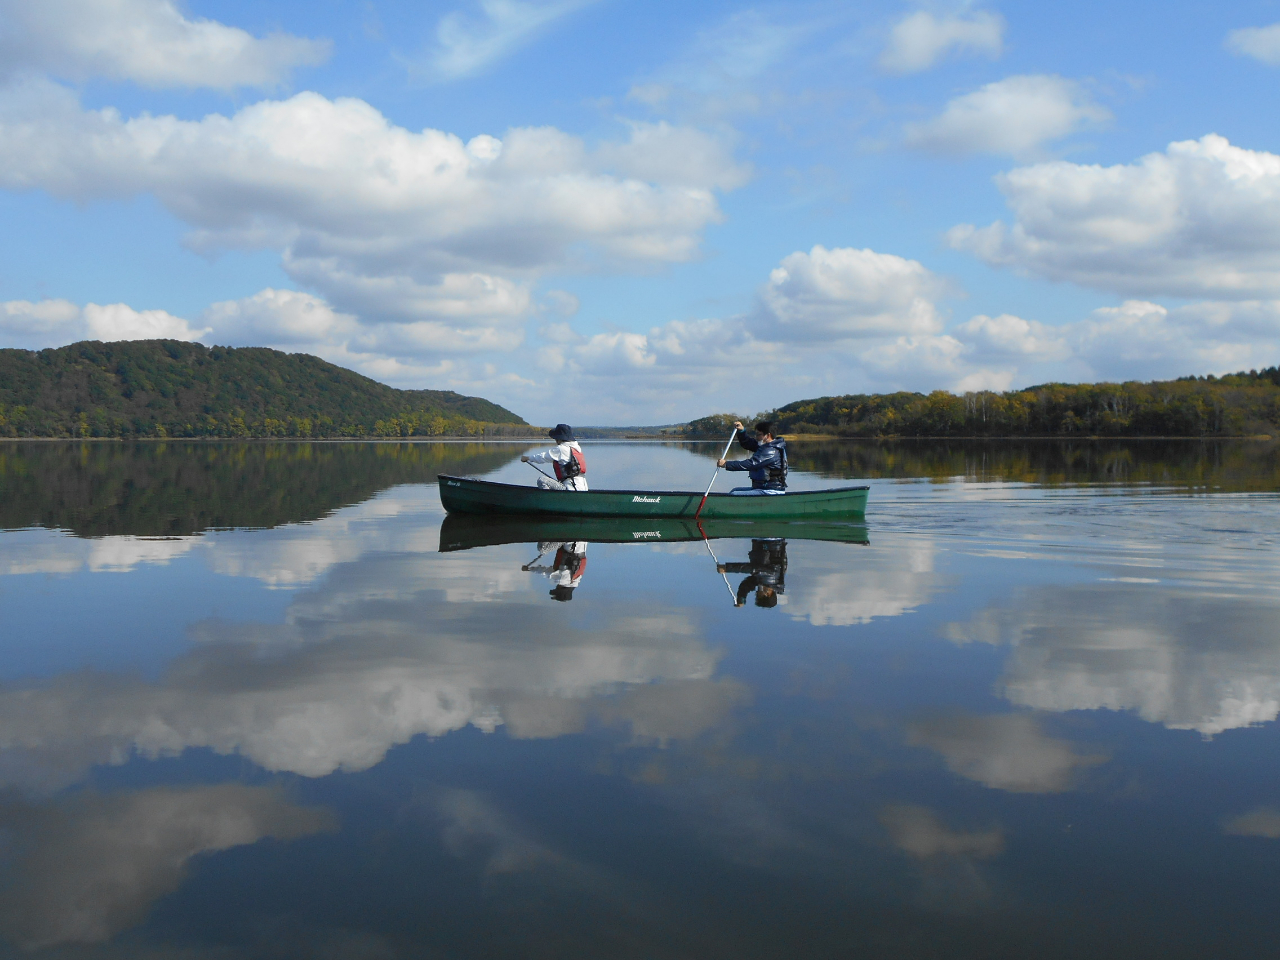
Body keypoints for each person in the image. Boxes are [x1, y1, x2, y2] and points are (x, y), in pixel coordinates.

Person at [717, 420, 787, 495]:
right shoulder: (765, 446)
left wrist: (726, 464)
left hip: (770, 490)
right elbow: (748, 443)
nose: (756, 437)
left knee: (734, 494)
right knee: (734, 491)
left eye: (759, 435)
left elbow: (751, 464)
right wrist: (741, 431)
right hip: (762, 488)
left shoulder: (771, 450)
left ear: (768, 435)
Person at [717, 538, 788, 608]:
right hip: (771, 540)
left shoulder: (762, 580)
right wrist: (727, 568)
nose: (756, 593)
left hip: (760, 540)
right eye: (758, 595)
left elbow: (746, 585)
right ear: (768, 594)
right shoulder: (772, 577)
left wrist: (741, 598)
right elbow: (754, 568)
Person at [521, 423, 588, 491]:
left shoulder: (561, 449)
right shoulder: (576, 448)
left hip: (570, 489)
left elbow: (543, 457)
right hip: (583, 488)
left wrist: (528, 458)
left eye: (556, 438)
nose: (555, 441)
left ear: (559, 438)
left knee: (542, 480)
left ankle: (549, 498)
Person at [522, 541, 588, 601]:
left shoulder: (577, 578)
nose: (556, 587)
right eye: (557, 589)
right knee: (543, 549)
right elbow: (544, 572)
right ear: (561, 589)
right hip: (569, 539)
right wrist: (530, 569)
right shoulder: (563, 580)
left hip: (579, 541)